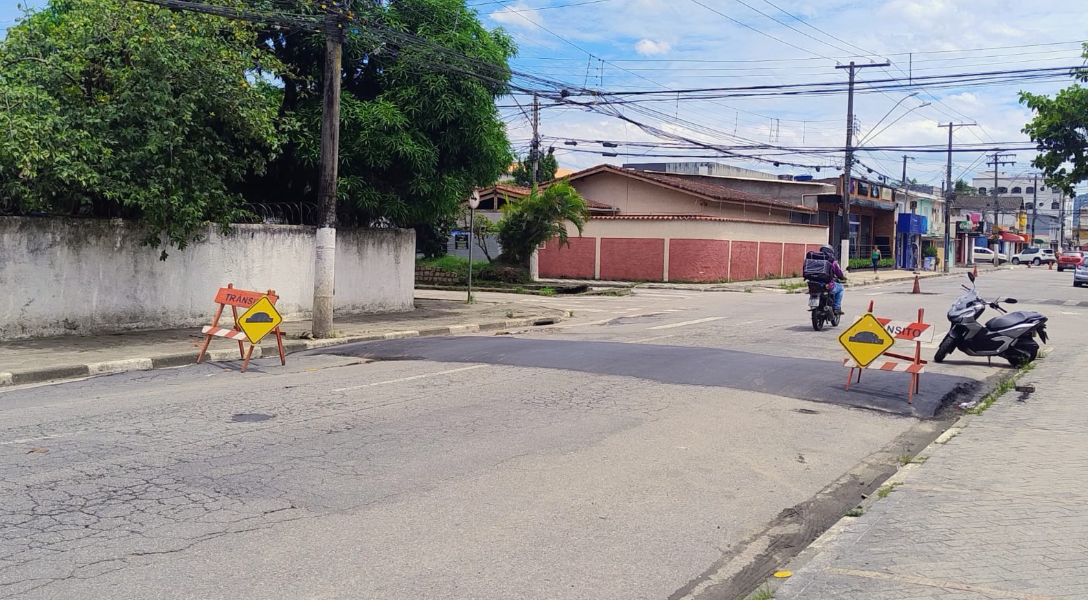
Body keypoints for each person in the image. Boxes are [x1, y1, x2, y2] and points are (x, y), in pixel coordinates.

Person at [820, 244, 847, 315]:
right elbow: (839, 273)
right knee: (841, 288)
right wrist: (842, 277)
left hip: (814, 284)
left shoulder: (814, 259)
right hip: (827, 285)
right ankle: (837, 308)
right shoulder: (832, 261)